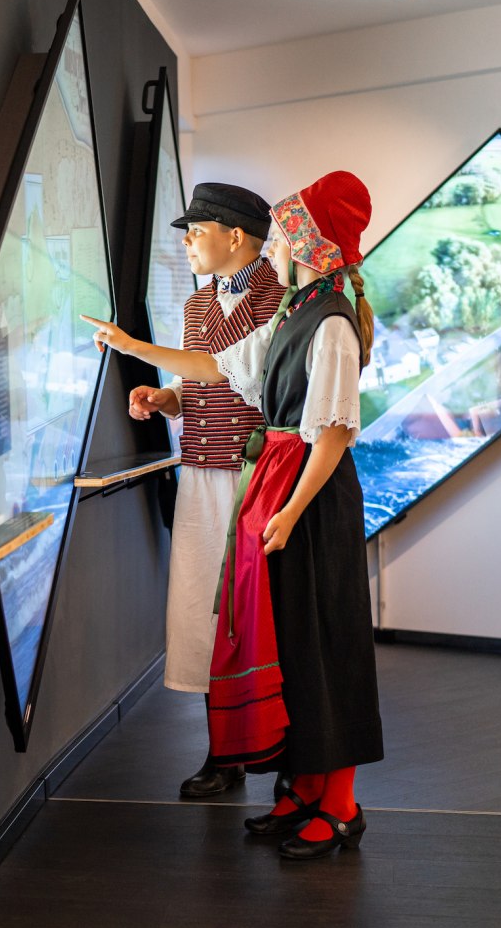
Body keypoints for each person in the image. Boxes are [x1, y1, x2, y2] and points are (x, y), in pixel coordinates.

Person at [83, 170, 383, 859]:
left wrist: (287, 509)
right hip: (279, 482)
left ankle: (336, 801)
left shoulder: (325, 315)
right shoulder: (300, 307)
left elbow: (332, 430)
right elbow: (216, 370)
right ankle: (302, 786)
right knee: (291, 638)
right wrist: (146, 366)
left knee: (321, 638)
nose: (280, 236)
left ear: (310, 238)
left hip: (300, 486)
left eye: (291, 225)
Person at [128, 182, 284, 798]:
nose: (188, 242)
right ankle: (225, 751)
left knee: (257, 612)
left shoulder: (279, 299)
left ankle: (277, 745)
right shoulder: (199, 305)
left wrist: (134, 348)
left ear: (235, 236)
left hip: (254, 474)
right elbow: (197, 385)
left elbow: (235, 372)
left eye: (196, 232)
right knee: (200, 606)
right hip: (199, 468)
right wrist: (165, 398)